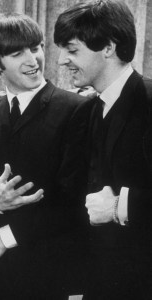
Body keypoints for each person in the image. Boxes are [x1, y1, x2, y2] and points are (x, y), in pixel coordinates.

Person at [0, 13, 88, 299]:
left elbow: (73, 200)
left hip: (46, 266)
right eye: (17, 53)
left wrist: (4, 239)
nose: (33, 59)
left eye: (36, 47)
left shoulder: (77, 109)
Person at [54, 0, 152, 299]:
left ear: (108, 48)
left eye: (72, 50)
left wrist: (117, 207)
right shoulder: (93, 109)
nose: (60, 61)